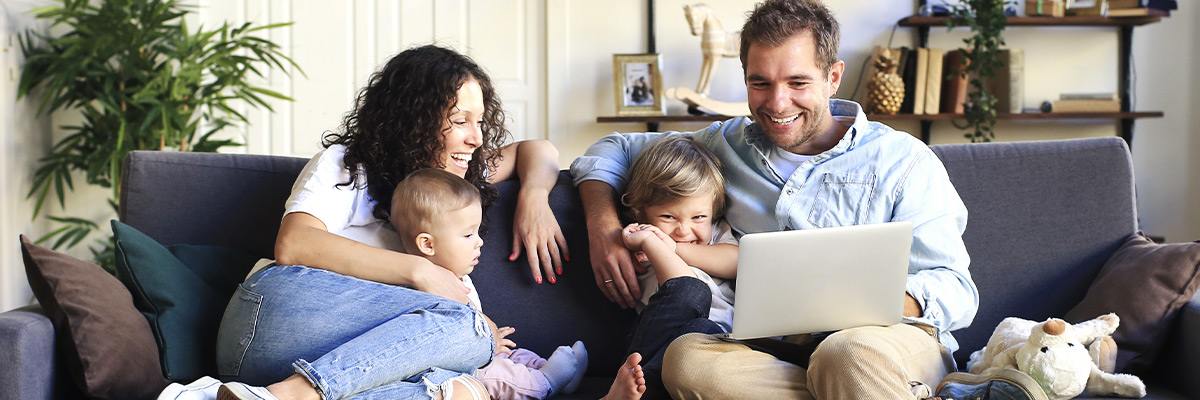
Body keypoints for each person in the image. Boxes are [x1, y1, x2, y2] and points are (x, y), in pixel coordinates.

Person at [569, 0, 978, 398]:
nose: (777, 103)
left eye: (798, 82)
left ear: (833, 77)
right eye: (760, 83)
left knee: (845, 353)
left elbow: (956, 289)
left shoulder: (902, 160)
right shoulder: (722, 144)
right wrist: (603, 229)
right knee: (687, 361)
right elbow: (614, 149)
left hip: (884, 342)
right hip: (770, 354)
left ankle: (855, 379)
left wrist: (860, 301)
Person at [214, 44, 569, 400]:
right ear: (414, 119)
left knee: (461, 391)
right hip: (269, 322)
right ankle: (298, 394)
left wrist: (534, 198)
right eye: (460, 121)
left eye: (479, 121)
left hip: (328, 362)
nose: (476, 138)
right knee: (469, 329)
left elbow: (537, 150)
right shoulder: (349, 165)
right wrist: (421, 272)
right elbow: (294, 244)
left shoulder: (453, 182)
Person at [387, 168, 588, 400]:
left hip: (484, 351)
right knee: (499, 376)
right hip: (459, 369)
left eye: (478, 232)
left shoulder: (459, 276)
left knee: (516, 356)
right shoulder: (422, 288)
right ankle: (547, 382)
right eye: (468, 235)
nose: (480, 242)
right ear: (428, 245)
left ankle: (558, 375)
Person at [609, 135, 740, 399]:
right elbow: (682, 288)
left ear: (713, 212)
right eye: (668, 217)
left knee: (704, 332)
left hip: (719, 342)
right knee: (691, 299)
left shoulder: (715, 234)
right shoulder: (641, 241)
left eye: (699, 217)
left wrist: (671, 246)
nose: (683, 230)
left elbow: (736, 262)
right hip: (661, 339)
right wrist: (652, 243)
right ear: (640, 212)